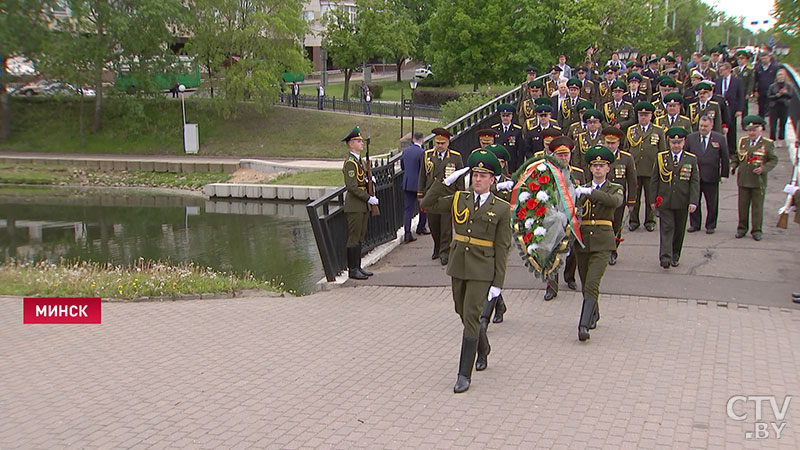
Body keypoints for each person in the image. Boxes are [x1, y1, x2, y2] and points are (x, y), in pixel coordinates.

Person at [420, 150, 512, 393]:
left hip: (483, 268)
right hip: (459, 264)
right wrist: (444, 183)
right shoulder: (459, 198)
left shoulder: (501, 208)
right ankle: (483, 347)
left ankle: (463, 374)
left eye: (483, 175)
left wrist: (498, 282)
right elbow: (427, 204)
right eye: (475, 174)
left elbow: (503, 248)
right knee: (461, 311)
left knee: (471, 316)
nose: (478, 179)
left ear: (493, 180)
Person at [573, 145, 624, 341]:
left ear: (608, 168)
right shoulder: (582, 188)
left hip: (603, 241)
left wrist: (590, 193)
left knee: (593, 282)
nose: (598, 169)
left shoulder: (614, 188)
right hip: (583, 241)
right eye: (595, 165)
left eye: (602, 165)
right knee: (586, 282)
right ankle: (594, 313)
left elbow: (614, 201)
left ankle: (583, 325)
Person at [650, 127, 699, 268]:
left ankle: (675, 254)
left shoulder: (691, 159)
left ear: (684, 142)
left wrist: (693, 201)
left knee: (679, 230)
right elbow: (654, 180)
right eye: (673, 142)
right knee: (667, 228)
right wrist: (653, 199)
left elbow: (694, 182)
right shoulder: (661, 158)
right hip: (665, 200)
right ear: (669, 143)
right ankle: (665, 257)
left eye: (679, 142)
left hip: (682, 201)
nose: (676, 145)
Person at [544, 136, 585, 300]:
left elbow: (584, 194)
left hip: (574, 216)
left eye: (566, 154)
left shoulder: (579, 173)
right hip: (553, 217)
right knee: (552, 251)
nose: (563, 158)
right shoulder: (547, 173)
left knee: (573, 251)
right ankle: (551, 287)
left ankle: (570, 277)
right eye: (560, 155)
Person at [418, 128, 465, 264]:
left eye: (442, 143)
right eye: (437, 143)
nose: (439, 146)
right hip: (431, 196)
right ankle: (437, 247)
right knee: (433, 224)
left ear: (448, 143)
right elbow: (422, 175)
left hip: (447, 196)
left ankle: (445, 251)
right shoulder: (427, 155)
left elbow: (460, 178)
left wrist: (460, 194)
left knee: (446, 227)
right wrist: (420, 194)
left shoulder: (455, 157)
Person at [731, 116, 778, 241]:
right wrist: (733, 165)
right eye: (749, 130)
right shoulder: (743, 141)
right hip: (744, 179)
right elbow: (737, 156)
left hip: (758, 181)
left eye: (754, 130)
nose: (751, 133)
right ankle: (742, 228)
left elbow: (773, 160)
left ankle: (757, 230)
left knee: (757, 207)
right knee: (742, 206)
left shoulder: (767, 143)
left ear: (760, 130)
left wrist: (763, 168)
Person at [341, 126, 378, 279]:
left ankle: (358, 266)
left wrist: (370, 180)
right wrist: (368, 198)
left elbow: (361, 179)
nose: (361, 143)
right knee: (354, 238)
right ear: (350, 144)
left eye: (361, 141)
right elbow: (352, 187)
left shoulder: (359, 161)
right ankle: (352, 269)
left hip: (362, 205)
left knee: (360, 236)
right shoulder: (350, 163)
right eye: (358, 141)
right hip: (355, 204)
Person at [625, 101, 667, 232]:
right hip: (635, 169)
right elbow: (626, 149)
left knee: (651, 197)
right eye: (641, 114)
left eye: (646, 115)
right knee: (634, 196)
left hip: (651, 169)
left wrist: (661, 169)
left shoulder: (658, 130)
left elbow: (662, 151)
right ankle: (633, 221)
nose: (643, 117)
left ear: (651, 116)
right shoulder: (631, 130)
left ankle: (650, 221)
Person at [686, 116, 729, 233]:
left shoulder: (719, 138)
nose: (703, 128)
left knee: (712, 202)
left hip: (712, 176)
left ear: (711, 126)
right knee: (694, 200)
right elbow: (686, 157)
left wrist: (724, 174)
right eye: (701, 126)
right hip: (695, 177)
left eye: (705, 126)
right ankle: (695, 224)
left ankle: (710, 225)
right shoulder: (691, 138)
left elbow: (725, 157)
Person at [602, 127, 637, 265]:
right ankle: (603, 250)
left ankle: (613, 251)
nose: (610, 146)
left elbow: (632, 181)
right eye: (608, 143)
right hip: (602, 197)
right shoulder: (600, 155)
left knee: (616, 225)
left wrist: (632, 200)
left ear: (618, 143)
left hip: (618, 199)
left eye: (613, 143)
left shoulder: (626, 158)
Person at [400, 132, 429, 243]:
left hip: (407, 182)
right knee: (423, 205)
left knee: (408, 209)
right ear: (422, 139)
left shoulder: (406, 151)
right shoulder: (422, 152)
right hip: (419, 184)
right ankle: (421, 227)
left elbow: (403, 166)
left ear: (413, 139)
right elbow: (425, 169)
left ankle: (407, 233)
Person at [714, 62, 744, 152]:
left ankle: (732, 150)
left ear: (728, 70)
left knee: (731, 130)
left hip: (732, 108)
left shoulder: (737, 81)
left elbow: (740, 96)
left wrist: (739, 109)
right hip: (720, 109)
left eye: (722, 70)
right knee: (719, 128)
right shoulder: (717, 81)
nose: (720, 72)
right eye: (720, 70)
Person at [491, 103, 525, 172]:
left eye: (508, 115)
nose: (505, 118)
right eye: (503, 115)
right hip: (498, 164)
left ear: (512, 116)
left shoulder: (517, 130)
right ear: (500, 116)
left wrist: (519, 167)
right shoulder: (494, 129)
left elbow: (521, 150)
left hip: (512, 164)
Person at [767, 68, 794, 146]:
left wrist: (784, 93)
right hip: (774, 106)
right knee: (773, 124)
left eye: (782, 75)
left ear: (785, 76)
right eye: (779, 75)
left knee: (782, 123)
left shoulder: (788, 86)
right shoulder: (772, 86)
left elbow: (790, 96)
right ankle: (773, 139)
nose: (780, 77)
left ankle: (781, 139)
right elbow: (769, 96)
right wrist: (777, 95)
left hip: (784, 105)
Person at [754, 53, 778, 118]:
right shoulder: (758, 68)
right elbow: (755, 80)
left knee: (771, 107)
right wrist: (755, 90)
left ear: (769, 58)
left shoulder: (775, 68)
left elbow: (777, 79)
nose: (764, 60)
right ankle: (762, 123)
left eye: (766, 58)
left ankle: (771, 123)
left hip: (771, 91)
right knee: (761, 108)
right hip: (761, 90)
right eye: (763, 59)